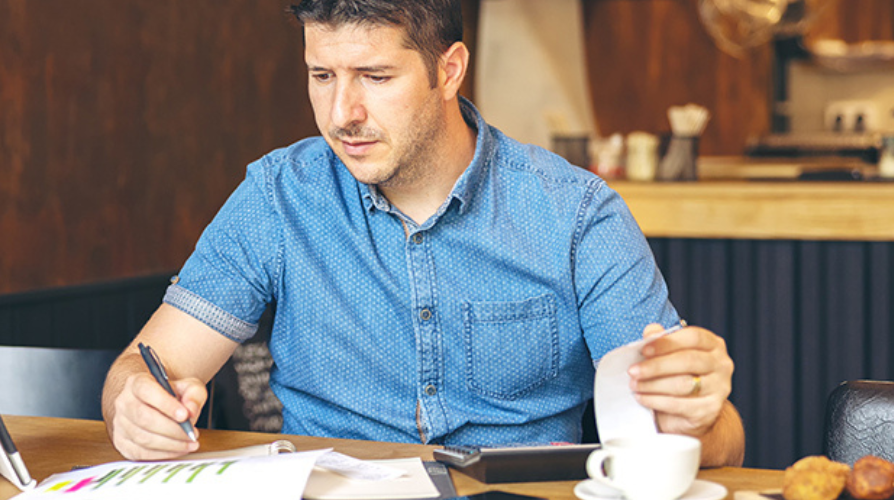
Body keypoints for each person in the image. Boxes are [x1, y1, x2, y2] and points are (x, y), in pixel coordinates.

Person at [102, 0, 745, 467]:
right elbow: (145, 367)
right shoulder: (278, 197)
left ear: (450, 70)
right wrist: (134, 405)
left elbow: (715, 440)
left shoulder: (575, 214)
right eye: (321, 76)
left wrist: (698, 407)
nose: (341, 114)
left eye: (375, 78)